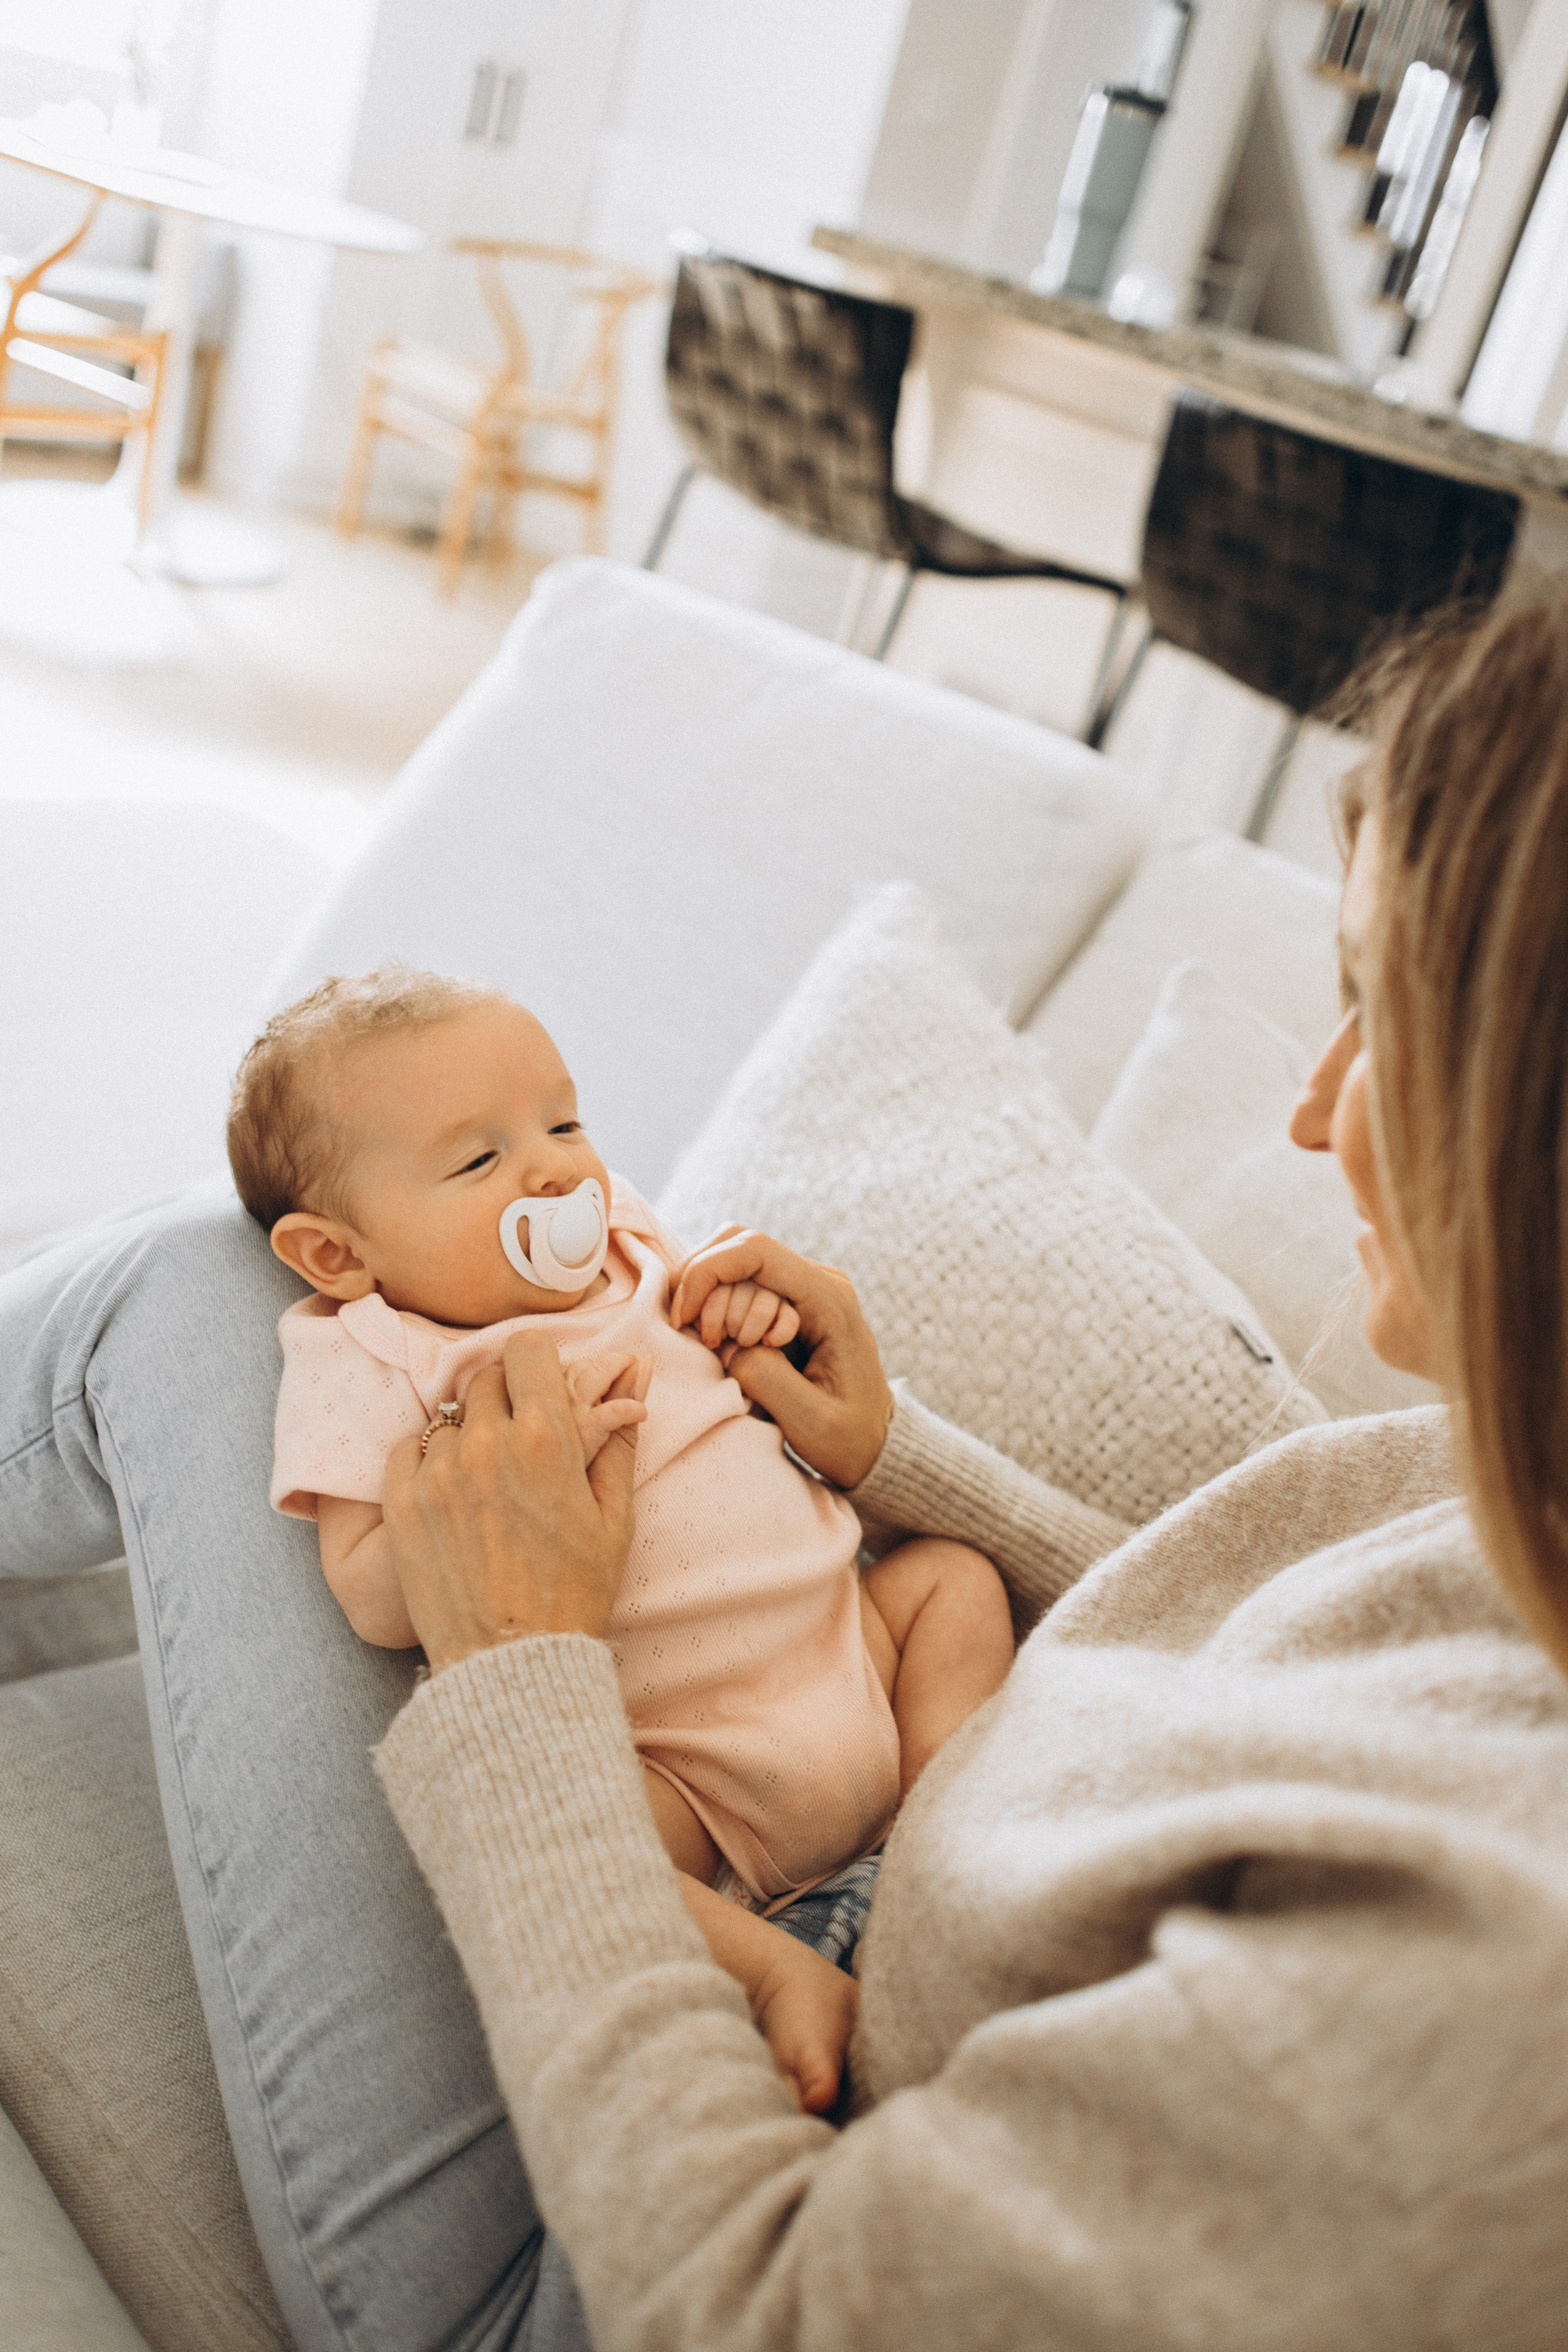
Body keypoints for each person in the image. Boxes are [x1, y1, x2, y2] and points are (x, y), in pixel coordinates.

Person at [2, 584, 1566, 2352]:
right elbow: (1225, 1641)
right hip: (886, 1840)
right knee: (226, 1286)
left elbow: (754, 2310)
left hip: (608, 2233)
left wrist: (526, 1675)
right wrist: (887, 1454)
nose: (1310, 1110)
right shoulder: (1502, 1478)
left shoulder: (1501, 2002)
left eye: (1382, 1019)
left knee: (185, 1291)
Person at [232, 971, 1013, 2112]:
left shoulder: (629, 1240)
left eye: (563, 1122)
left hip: (856, 1649)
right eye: (478, 1160)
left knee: (956, 1580)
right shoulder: (374, 1353)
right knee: (576, 1844)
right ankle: (767, 1965)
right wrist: (478, 1498)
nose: (555, 1169)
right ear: (339, 1255)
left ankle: (937, 1831)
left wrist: (746, 1317)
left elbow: (714, 1318)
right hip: (686, 1773)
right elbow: (366, 1593)